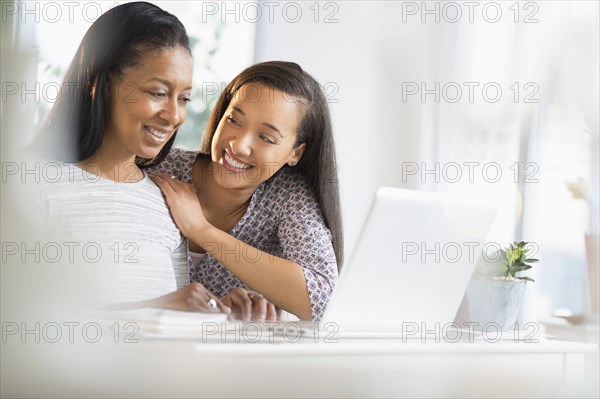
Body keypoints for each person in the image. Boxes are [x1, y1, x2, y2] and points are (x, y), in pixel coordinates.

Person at [27, 1, 249, 315]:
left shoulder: (168, 201)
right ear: (101, 84)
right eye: (158, 93)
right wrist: (152, 308)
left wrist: (223, 317)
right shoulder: (32, 183)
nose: (174, 115)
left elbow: (172, 324)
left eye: (184, 98)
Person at [149, 61, 343, 321]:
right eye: (234, 120)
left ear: (295, 153)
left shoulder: (288, 198)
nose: (239, 146)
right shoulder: (159, 168)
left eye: (266, 138)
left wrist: (202, 231)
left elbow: (323, 300)